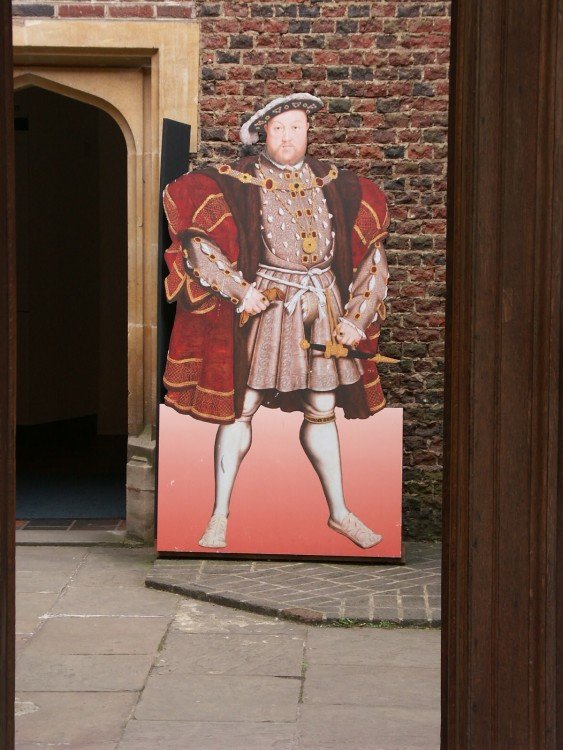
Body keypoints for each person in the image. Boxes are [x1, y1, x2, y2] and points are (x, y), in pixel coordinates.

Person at [162, 93, 391, 550]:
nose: (287, 137)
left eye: (296, 127)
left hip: (324, 300)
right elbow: (199, 246)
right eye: (279, 128)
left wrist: (355, 319)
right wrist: (240, 290)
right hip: (268, 304)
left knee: (322, 406)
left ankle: (340, 513)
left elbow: (373, 260)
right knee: (242, 404)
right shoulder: (231, 182)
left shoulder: (341, 185)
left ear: (309, 132)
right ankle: (219, 515)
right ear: (263, 133)